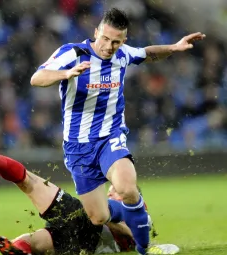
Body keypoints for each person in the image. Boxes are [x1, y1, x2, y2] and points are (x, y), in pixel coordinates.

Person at [30, 7, 205, 254]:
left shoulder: (122, 54)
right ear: (96, 32)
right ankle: (124, 212)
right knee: (98, 217)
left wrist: (174, 48)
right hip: (78, 146)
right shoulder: (73, 53)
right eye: (105, 39)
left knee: (127, 186)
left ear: (123, 41)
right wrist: (65, 73)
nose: (109, 46)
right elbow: (37, 78)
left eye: (116, 42)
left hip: (110, 137)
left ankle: (146, 247)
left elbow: (147, 53)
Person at [0, 134, 180, 255]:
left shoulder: (138, 215)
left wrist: (104, 211)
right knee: (35, 242)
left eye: (115, 192)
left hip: (84, 225)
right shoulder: (112, 208)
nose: (112, 193)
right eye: (110, 191)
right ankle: (11, 247)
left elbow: (129, 233)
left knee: (29, 182)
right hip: (77, 245)